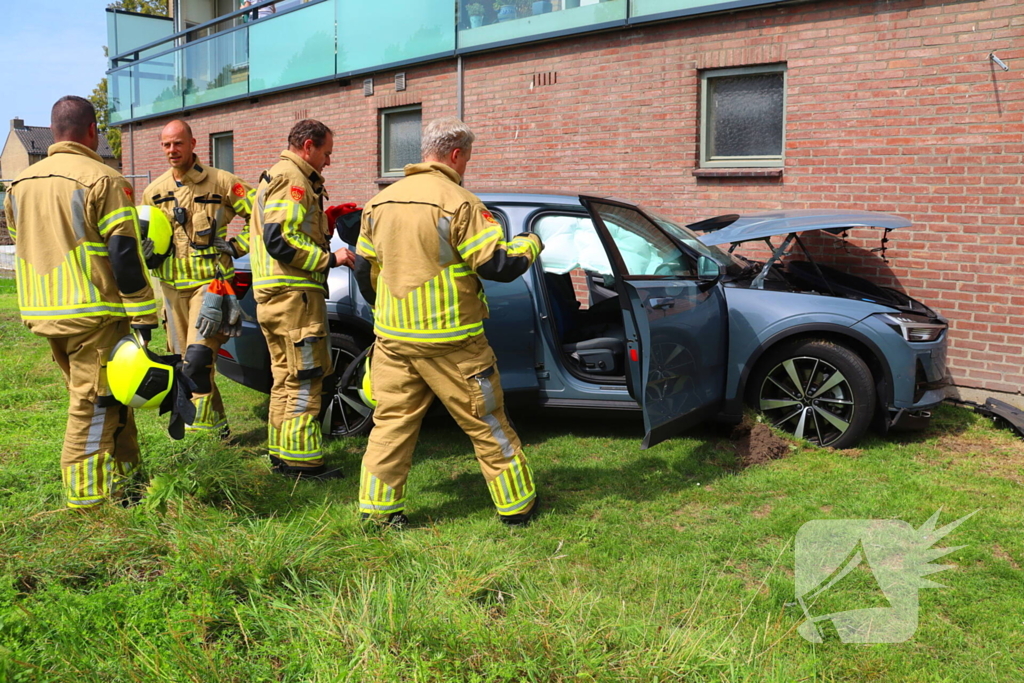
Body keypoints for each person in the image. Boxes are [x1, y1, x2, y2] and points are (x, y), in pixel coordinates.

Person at [355, 117, 543, 527]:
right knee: (487, 422)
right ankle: (517, 508)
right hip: (454, 343)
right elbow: (497, 264)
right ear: (456, 155)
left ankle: (377, 512)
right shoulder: (460, 201)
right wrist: (530, 242)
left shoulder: (379, 202)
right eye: (467, 159)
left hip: (393, 341)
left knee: (390, 425)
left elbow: (362, 269)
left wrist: (386, 313)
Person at [2, 96, 158, 508]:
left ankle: (132, 485)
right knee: (92, 408)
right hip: (94, 317)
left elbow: (26, 243)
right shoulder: (103, 179)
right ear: (93, 131)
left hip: (45, 314)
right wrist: (144, 314)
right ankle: (87, 506)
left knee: (111, 400)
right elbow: (124, 254)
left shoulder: (19, 185)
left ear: (53, 132)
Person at [249, 119, 354, 478]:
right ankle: (303, 463)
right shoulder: (293, 179)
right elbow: (281, 240)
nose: (328, 161)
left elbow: (290, 229)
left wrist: (326, 220)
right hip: (294, 298)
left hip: (274, 298)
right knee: (306, 378)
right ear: (308, 146)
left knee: (285, 377)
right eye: (326, 153)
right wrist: (330, 258)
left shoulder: (279, 176)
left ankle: (282, 454)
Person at [142, 120, 254, 436]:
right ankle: (218, 428)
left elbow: (260, 215)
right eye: (166, 145)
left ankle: (198, 439)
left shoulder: (221, 182)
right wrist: (148, 253)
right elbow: (145, 234)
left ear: (193, 144)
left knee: (197, 361)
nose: (172, 150)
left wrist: (236, 246)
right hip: (171, 291)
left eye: (178, 143)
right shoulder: (154, 192)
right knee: (185, 366)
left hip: (210, 288)